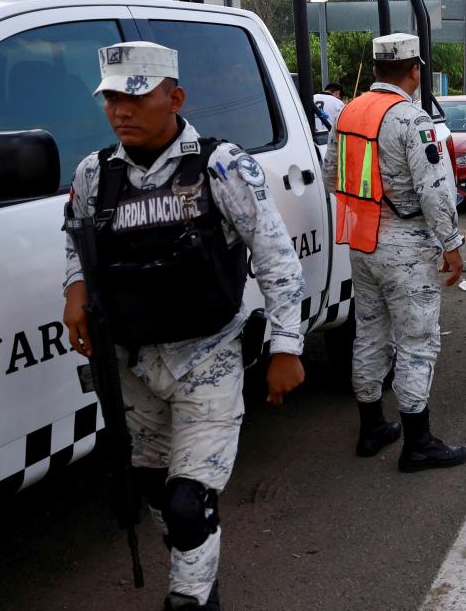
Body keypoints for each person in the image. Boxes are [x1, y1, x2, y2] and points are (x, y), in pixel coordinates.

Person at [62, 41, 307, 610]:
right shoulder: (95, 173)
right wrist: (74, 289)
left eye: (136, 96)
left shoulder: (222, 166)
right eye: (111, 98)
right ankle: (197, 565)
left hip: (209, 355)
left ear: (175, 97)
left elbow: (275, 258)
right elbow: (75, 237)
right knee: (151, 489)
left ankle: (191, 598)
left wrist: (287, 347)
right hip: (131, 363)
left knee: (185, 502)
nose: (120, 110)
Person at [323, 33, 466, 471]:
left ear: (374, 71)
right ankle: (417, 442)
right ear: (414, 70)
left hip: (362, 242)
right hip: (407, 245)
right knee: (417, 341)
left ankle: (372, 428)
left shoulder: (350, 111)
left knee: (369, 333)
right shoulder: (412, 119)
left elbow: (332, 174)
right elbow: (434, 190)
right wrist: (453, 245)